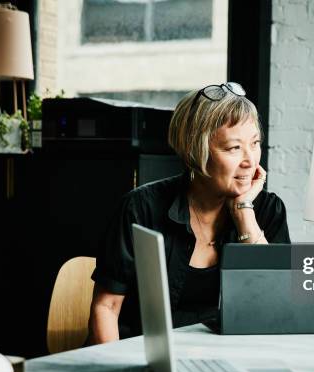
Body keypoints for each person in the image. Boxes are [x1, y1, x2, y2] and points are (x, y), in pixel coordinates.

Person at [88, 82, 290, 343]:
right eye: (233, 148)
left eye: (255, 143)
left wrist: (244, 213)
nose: (250, 160)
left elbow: (280, 307)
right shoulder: (140, 209)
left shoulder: (267, 210)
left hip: (226, 363)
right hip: (141, 358)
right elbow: (106, 308)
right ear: (197, 151)